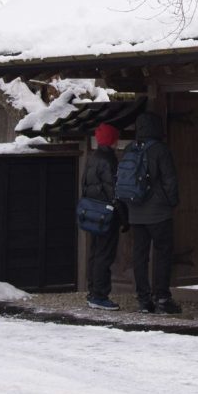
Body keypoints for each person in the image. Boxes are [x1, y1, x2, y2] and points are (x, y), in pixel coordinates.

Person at [125, 112, 181, 314]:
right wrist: (172, 203)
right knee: (162, 253)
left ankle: (143, 299)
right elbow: (169, 180)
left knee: (139, 256)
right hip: (158, 212)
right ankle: (162, 298)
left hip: (135, 211)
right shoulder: (160, 150)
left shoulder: (130, 149)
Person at [82, 123, 128, 310]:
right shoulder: (109, 161)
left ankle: (93, 290)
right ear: (112, 140)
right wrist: (124, 217)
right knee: (104, 255)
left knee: (95, 252)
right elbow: (113, 192)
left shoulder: (92, 158)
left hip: (92, 212)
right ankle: (100, 295)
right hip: (106, 214)